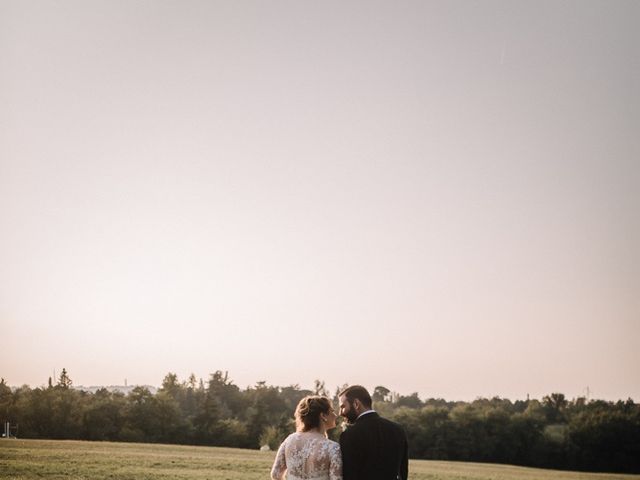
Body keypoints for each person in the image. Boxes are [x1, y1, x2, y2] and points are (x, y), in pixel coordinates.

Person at [338, 385, 408, 480]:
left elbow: (349, 475)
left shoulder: (350, 434)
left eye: (343, 406)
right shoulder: (397, 429)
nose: (340, 413)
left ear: (356, 404)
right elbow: (403, 473)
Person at [271, 395, 342, 480]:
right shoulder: (333, 448)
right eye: (332, 411)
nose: (335, 415)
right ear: (323, 415)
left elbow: (275, 474)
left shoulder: (290, 440)